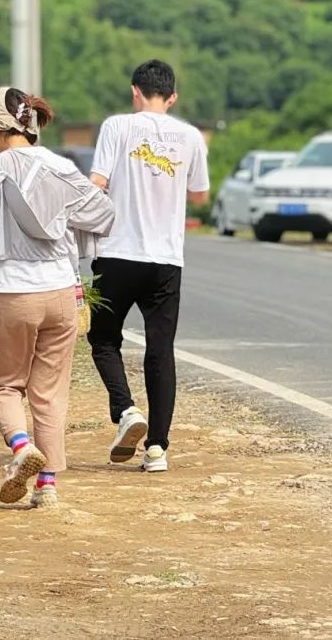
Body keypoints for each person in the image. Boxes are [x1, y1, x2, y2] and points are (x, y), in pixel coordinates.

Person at [0, 86, 114, 508]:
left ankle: (22, 449)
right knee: (50, 392)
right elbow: (101, 214)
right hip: (61, 295)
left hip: (13, 294)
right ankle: (47, 487)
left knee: (4, 386)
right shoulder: (62, 167)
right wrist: (63, 220)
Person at [87, 59, 209, 473]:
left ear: (134, 91)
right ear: (172, 97)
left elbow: (97, 183)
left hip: (116, 253)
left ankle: (125, 410)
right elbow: (199, 195)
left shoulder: (117, 127)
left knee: (104, 339)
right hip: (166, 260)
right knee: (160, 350)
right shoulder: (190, 136)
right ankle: (157, 448)